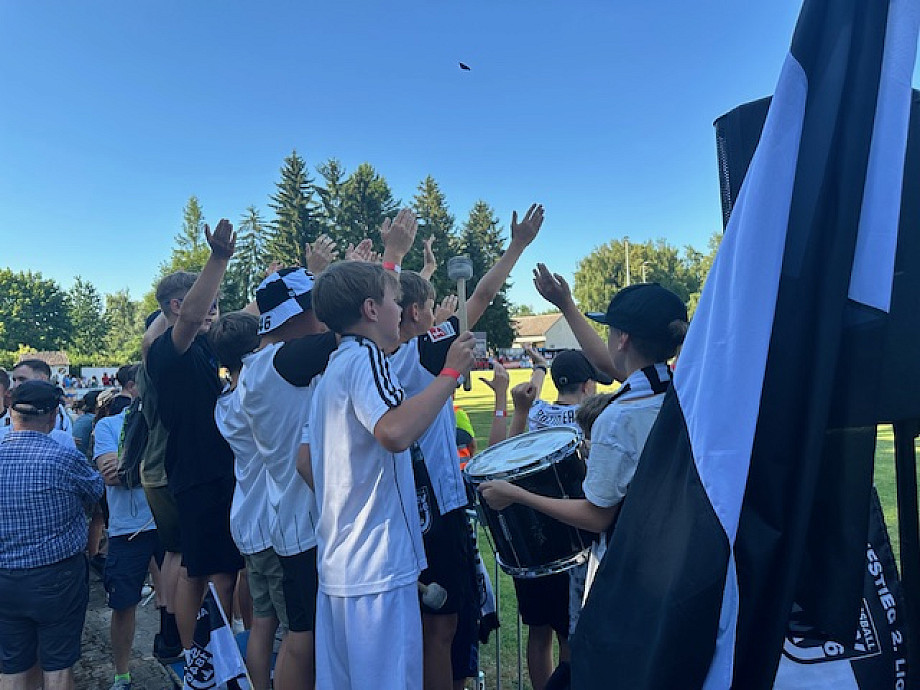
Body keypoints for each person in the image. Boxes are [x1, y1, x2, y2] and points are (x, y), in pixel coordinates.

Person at [388, 203, 544, 690]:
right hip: (438, 504)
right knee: (444, 627)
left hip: (400, 505)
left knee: (418, 623)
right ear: (416, 313)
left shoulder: (369, 356)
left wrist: (404, 263)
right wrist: (517, 245)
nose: (440, 313)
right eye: (431, 305)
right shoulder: (419, 352)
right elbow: (482, 295)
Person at [309, 259, 476, 690]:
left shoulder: (332, 369)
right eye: (393, 301)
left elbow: (305, 460)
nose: (399, 310)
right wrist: (450, 373)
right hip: (377, 566)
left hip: (341, 564)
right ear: (371, 309)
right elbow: (395, 431)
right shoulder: (366, 357)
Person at [479, 282, 688, 599]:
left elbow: (597, 516)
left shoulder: (618, 418)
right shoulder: (681, 392)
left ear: (623, 339)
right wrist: (565, 304)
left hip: (634, 575)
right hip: (680, 557)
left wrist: (517, 495)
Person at [144, 219, 243, 673]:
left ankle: (211, 658)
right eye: (209, 303)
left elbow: (242, 321)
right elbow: (188, 319)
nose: (213, 312)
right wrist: (218, 258)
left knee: (214, 570)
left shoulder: (203, 348)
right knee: (204, 573)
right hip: (198, 475)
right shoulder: (169, 351)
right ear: (178, 306)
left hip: (213, 473)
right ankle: (203, 662)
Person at [500, 348, 612, 690]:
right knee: (569, 638)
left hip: (532, 543)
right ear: (588, 385)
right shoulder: (592, 417)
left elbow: (504, 451)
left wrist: (537, 369)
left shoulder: (535, 411)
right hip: (571, 544)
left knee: (538, 633)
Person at [0, 381, 104, 690]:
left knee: (12, 665)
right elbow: (96, 491)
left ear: (10, 412)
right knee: (58, 666)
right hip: (57, 577)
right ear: (53, 416)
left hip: (5, 577)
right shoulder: (64, 458)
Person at [209, 311, 283, 690]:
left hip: (247, 519)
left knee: (262, 622)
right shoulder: (254, 396)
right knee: (294, 630)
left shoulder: (224, 402)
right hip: (271, 521)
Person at [92, 365, 161, 690]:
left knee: (179, 599)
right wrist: (158, 468)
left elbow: (122, 471)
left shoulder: (168, 420)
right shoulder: (109, 424)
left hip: (167, 523)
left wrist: (131, 466)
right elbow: (110, 475)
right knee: (123, 604)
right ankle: (122, 674)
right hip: (126, 529)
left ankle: (184, 656)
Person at [7, 359, 74, 435]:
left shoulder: (61, 417)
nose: (16, 385)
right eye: (14, 380)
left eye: (22, 379)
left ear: (42, 379)